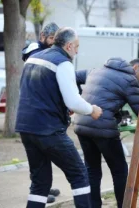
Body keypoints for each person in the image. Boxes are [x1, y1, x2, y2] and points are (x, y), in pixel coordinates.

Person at [73, 57, 139, 208]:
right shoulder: (129, 81)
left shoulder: (96, 71)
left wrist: (77, 102)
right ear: (135, 67)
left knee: (92, 170)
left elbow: (73, 76)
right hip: (103, 130)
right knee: (120, 171)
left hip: (81, 125)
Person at [16, 27, 103, 208]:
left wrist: (59, 107)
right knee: (79, 174)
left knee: (40, 182)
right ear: (69, 45)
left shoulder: (33, 58)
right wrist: (92, 110)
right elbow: (74, 102)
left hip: (26, 127)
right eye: (77, 46)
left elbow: (36, 92)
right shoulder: (63, 63)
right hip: (48, 130)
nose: (78, 51)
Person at [20, 21, 61, 204]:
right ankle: (38, 191)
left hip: (39, 110)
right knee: (38, 157)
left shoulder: (42, 49)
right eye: (51, 38)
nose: (53, 43)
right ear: (43, 37)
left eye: (55, 39)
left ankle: (44, 187)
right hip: (35, 111)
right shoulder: (36, 51)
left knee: (43, 155)